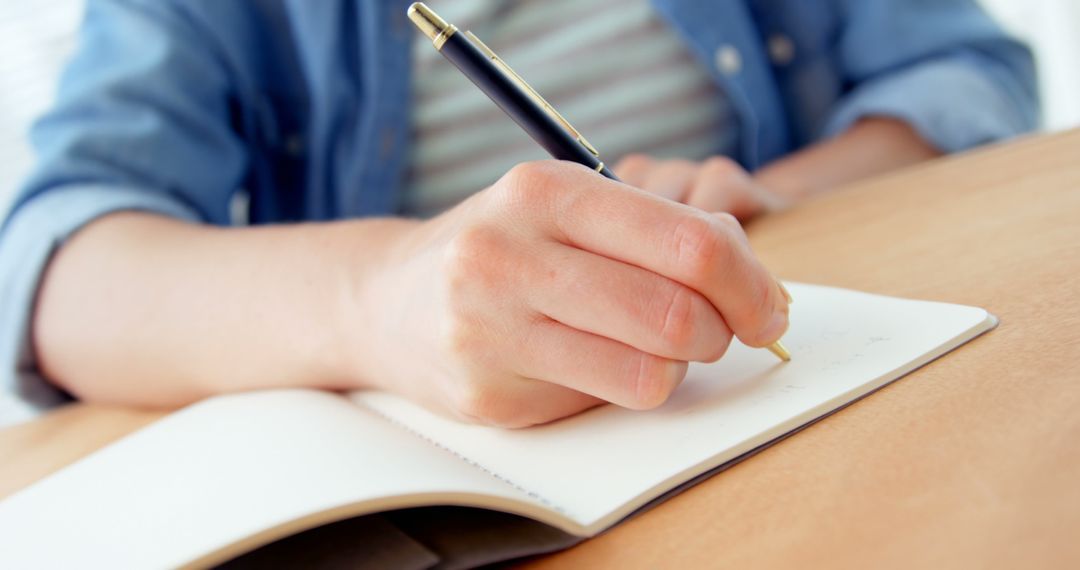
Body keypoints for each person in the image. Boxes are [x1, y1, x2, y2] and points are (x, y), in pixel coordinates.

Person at [0, 0, 1038, 427]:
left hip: (782, 385)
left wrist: (776, 199)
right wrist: (376, 298)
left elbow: (961, 71)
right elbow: (57, 269)